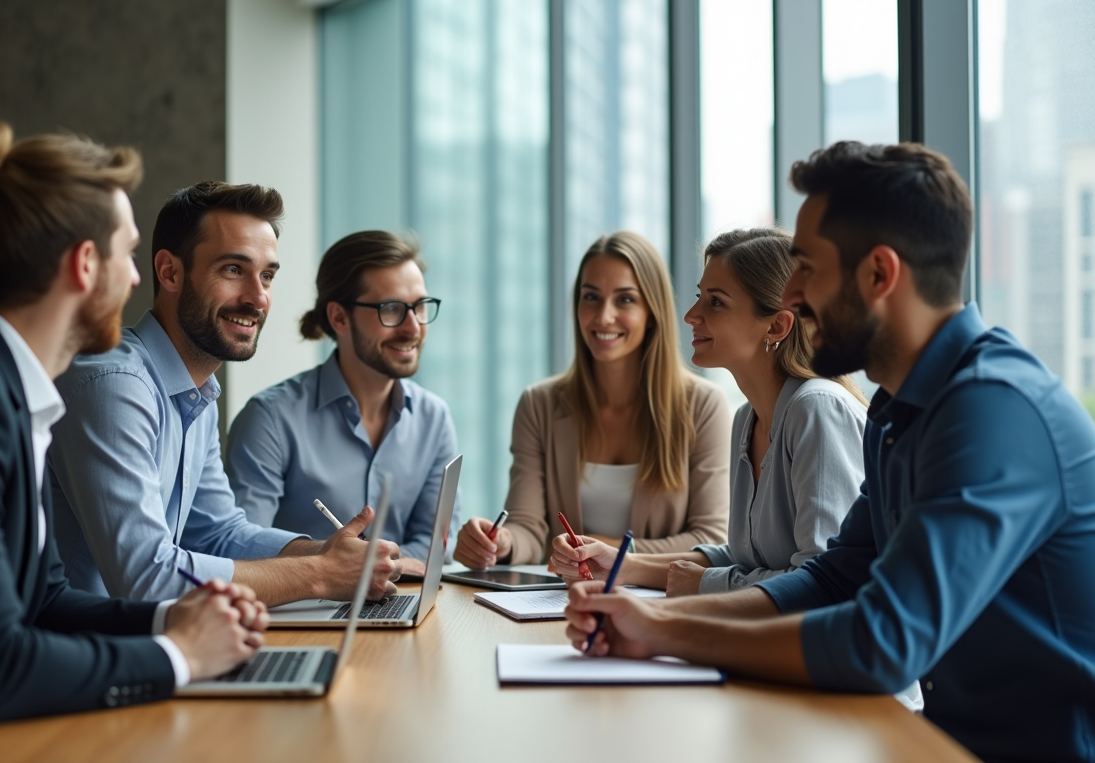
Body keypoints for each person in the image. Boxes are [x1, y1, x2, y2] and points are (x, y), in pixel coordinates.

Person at [562, 142, 1095, 763]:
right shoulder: (898, 411)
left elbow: (883, 639)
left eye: (807, 268)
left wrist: (666, 631)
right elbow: (835, 576)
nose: (790, 296)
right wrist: (654, 624)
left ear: (879, 274)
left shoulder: (992, 411)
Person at [0, 123, 269, 761]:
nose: (133, 280)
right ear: (84, 265)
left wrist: (175, 620)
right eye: (127, 255)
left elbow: (42, 600)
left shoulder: (6, 390)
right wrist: (177, 655)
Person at [47, 182, 401, 605]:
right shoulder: (115, 385)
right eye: (233, 269)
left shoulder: (195, 391)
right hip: (83, 660)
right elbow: (146, 578)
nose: (258, 298)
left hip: (146, 647)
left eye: (267, 275)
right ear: (170, 272)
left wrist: (330, 553)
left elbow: (217, 533)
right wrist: (320, 575)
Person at [551, 229, 867, 596]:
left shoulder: (817, 408)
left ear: (777, 325)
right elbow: (745, 558)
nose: (689, 315)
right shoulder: (747, 419)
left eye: (715, 302)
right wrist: (621, 565)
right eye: (700, 296)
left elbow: (823, 584)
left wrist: (704, 584)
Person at [454, 231, 731, 569]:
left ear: (652, 309)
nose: (603, 316)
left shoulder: (703, 406)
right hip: (562, 602)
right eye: (591, 297)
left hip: (660, 606)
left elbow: (711, 539)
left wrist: (606, 552)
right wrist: (501, 543)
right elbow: (528, 527)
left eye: (625, 299)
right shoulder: (538, 405)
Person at [226, 231, 461, 577]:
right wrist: (334, 564)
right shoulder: (270, 418)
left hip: (401, 603)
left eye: (420, 307)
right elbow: (241, 545)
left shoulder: (434, 418)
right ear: (339, 318)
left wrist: (376, 565)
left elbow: (437, 542)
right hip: (300, 611)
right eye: (392, 309)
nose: (413, 327)